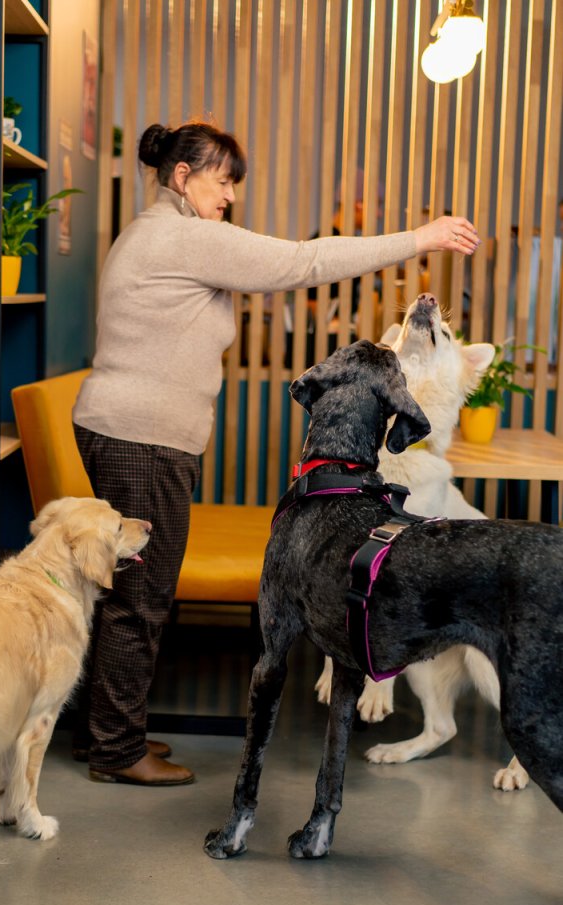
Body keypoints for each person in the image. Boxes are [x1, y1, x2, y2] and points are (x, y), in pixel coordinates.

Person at [71, 120, 480, 787]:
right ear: (183, 175)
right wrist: (420, 238)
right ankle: (115, 750)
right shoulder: (182, 234)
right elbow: (302, 264)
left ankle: (114, 735)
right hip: (141, 437)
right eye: (223, 180)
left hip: (134, 431)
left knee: (139, 595)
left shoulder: (155, 232)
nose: (230, 195)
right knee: (140, 599)